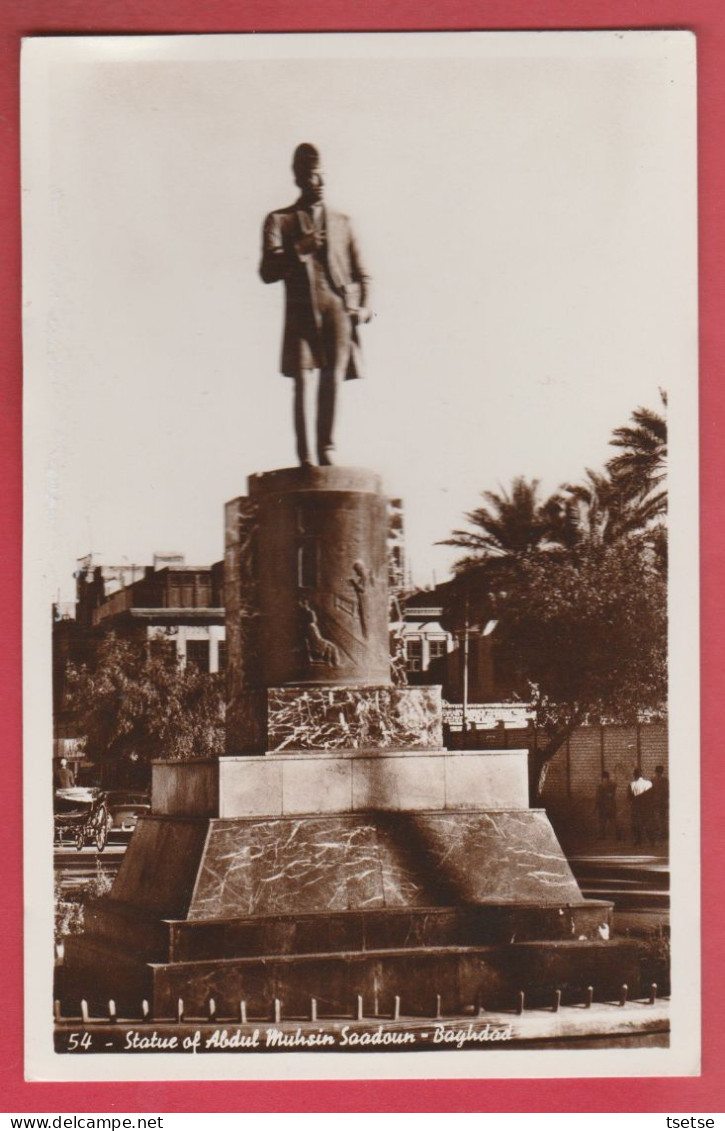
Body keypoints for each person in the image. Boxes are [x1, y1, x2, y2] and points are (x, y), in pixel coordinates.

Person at [260, 144, 372, 467]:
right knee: (303, 380)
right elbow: (267, 272)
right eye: (311, 175)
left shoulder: (344, 222)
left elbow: (364, 275)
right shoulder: (279, 221)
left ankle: (328, 447)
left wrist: (364, 309)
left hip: (338, 306)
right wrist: (300, 250)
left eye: (322, 174)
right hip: (302, 310)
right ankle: (306, 453)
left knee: (333, 377)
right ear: (299, 177)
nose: (319, 181)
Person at [628, 766, 654, 847]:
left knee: (636, 824)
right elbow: (651, 796)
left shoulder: (631, 784)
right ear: (642, 775)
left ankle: (637, 841)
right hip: (646, 807)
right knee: (647, 824)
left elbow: (629, 797)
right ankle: (651, 841)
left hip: (636, 807)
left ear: (634, 775)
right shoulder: (648, 783)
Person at [594, 770, 620, 839]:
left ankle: (602, 835)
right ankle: (618, 834)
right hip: (612, 805)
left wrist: (595, 807)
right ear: (608, 777)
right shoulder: (613, 784)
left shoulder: (600, 786)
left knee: (602, 821)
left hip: (603, 806)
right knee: (614, 821)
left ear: (603, 777)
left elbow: (598, 798)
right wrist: (609, 795)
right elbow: (612, 794)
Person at [651, 764, 669, 842]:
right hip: (659, 802)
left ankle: (661, 834)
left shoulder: (654, 779)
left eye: (658, 772)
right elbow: (666, 792)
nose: (658, 773)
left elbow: (666, 792)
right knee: (661, 818)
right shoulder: (664, 779)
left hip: (658, 802)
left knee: (660, 818)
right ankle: (662, 834)